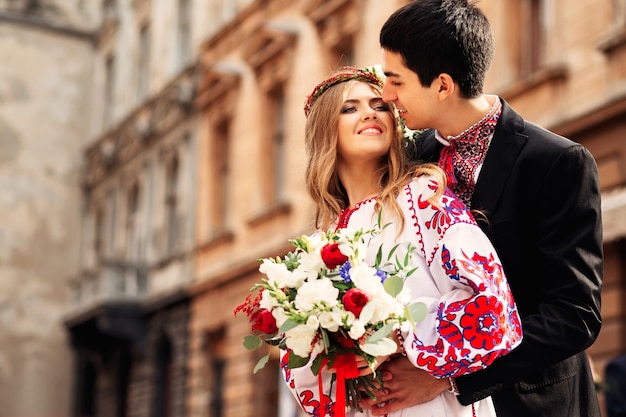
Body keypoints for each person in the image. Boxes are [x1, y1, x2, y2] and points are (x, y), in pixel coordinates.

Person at [362, 1, 604, 416]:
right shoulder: (408, 159)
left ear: (442, 85)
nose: (386, 96)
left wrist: (450, 375)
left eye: (395, 81)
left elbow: (574, 314)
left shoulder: (557, 161)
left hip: (533, 403)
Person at [280, 66, 522, 417]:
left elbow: (491, 307)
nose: (369, 113)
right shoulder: (320, 245)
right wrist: (337, 351)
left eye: (379, 105)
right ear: (324, 131)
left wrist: (397, 338)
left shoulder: (425, 199)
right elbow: (306, 376)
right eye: (349, 108)